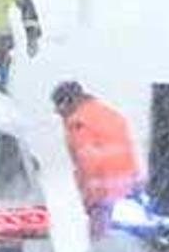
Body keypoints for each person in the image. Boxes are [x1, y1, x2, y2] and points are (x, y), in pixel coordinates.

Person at [55, 80, 141, 233]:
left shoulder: (79, 123)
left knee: (102, 246)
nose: (59, 113)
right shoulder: (111, 115)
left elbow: (88, 162)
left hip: (103, 196)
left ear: (68, 102)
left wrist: (90, 199)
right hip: (129, 191)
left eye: (59, 106)